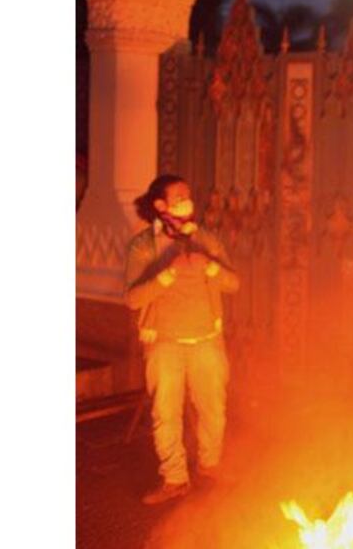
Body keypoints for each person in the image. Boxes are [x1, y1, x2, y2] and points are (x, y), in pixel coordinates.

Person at [125, 174, 240, 504]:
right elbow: (134, 299)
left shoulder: (207, 239)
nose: (186, 200)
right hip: (165, 344)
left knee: (213, 408)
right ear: (160, 205)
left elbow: (233, 284)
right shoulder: (143, 246)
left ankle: (210, 466)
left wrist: (212, 269)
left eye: (188, 195)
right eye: (178, 196)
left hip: (206, 340)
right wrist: (168, 273)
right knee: (166, 413)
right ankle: (175, 478)